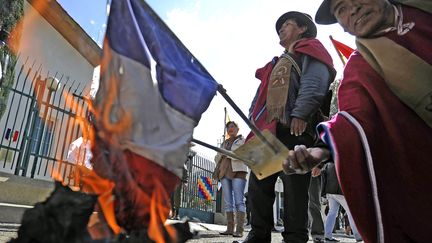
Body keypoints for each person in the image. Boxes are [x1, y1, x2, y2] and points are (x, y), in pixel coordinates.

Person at [283, 1, 432, 242]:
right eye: (341, 9)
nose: (353, 10)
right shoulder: (359, 70)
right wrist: (320, 151)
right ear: (341, 25)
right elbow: (352, 119)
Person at [243, 11, 335, 243]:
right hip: (266, 132)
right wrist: (252, 126)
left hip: (294, 128)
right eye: (280, 26)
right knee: (257, 187)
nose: (281, 29)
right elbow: (259, 100)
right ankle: (258, 235)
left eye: (287, 24)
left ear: (303, 28)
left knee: (295, 188)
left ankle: (295, 237)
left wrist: (301, 113)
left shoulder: (311, 50)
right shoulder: (276, 62)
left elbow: (314, 82)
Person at [214, 121, 248, 237]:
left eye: (233, 126)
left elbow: (239, 154)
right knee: (228, 202)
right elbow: (216, 157)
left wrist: (225, 153)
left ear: (238, 129)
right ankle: (229, 228)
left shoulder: (243, 141)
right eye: (228, 127)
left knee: (239, 201)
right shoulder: (224, 143)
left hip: (238, 172)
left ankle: (239, 230)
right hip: (224, 172)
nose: (230, 128)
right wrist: (221, 154)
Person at [320, 163, 362, 242]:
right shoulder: (343, 160)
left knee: (332, 212)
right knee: (351, 213)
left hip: (330, 191)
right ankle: (358, 236)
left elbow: (323, 176)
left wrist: (323, 192)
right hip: (341, 192)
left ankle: (327, 235)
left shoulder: (328, 163)